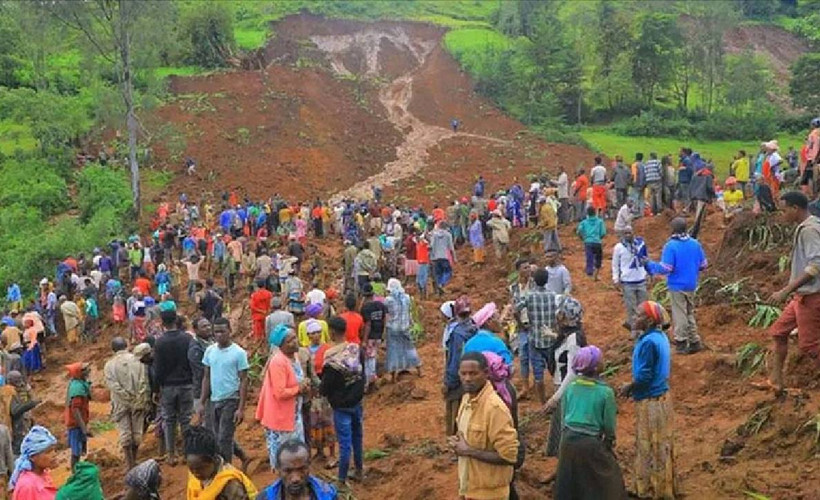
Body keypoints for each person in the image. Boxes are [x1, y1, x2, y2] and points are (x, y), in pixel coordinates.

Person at [553, 345, 625, 499]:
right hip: (590, 443)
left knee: (569, 484)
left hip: (568, 442)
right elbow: (609, 426)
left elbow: (564, 417)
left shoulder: (571, 387)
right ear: (597, 367)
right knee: (608, 482)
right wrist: (609, 442)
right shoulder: (605, 392)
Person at [620, 301, 676, 499]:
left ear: (650, 320)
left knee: (648, 446)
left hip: (650, 400)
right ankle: (663, 488)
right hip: (662, 398)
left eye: (638, 315)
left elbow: (644, 376)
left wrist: (629, 387)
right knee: (662, 445)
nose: (634, 318)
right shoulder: (658, 337)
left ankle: (648, 490)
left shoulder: (648, 343)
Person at [767, 191, 820, 392]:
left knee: (810, 346)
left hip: (811, 297)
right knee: (778, 332)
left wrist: (786, 290)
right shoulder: (808, 225)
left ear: (795, 209)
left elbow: (816, 265)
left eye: (784, 210)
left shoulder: (809, 230)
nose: (782, 215)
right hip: (801, 297)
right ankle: (776, 381)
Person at [448, 352, 519, 500]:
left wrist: (469, 451)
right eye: (464, 373)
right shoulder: (466, 399)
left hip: (490, 494)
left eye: (473, 374)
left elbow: (509, 456)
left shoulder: (494, 408)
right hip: (469, 488)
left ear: (486, 373)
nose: (467, 378)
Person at [647, 217, 707, 354]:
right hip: (691, 283)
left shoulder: (671, 246)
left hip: (677, 284)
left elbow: (666, 268)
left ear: (673, 229)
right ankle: (694, 340)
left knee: (679, 313)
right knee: (689, 312)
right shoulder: (695, 244)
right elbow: (703, 265)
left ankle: (681, 341)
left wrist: (650, 265)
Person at [319, 316, 365, 485]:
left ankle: (341, 479)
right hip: (357, 402)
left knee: (345, 444)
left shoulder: (331, 358)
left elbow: (325, 387)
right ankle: (359, 470)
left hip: (341, 406)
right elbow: (362, 374)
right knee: (357, 438)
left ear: (331, 332)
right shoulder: (355, 349)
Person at [256, 325, 309, 470]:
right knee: (285, 458)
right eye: (290, 340)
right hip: (281, 417)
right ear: (281, 345)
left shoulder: (294, 356)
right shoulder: (278, 362)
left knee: (296, 453)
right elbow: (280, 393)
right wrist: (300, 388)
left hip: (293, 414)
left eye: (294, 337)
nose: (295, 341)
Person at [199, 318, 249, 466]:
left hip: (231, 399)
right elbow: (206, 376)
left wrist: (240, 408)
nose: (219, 335)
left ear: (230, 331)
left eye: (222, 331)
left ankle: (226, 469)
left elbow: (244, 380)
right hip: (214, 400)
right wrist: (202, 401)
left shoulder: (238, 353)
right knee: (218, 435)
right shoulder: (210, 351)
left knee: (223, 439)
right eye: (216, 332)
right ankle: (242, 456)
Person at [544, 297, 586, 458]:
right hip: (563, 389)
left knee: (565, 434)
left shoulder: (574, 339)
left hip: (566, 391)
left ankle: (566, 469)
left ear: (566, 317)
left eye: (560, 313)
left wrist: (555, 398)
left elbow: (573, 372)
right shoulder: (570, 335)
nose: (557, 316)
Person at [152, 304, 193, 465]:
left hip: (168, 386)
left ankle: (171, 454)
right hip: (187, 384)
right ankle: (187, 452)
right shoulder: (187, 339)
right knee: (186, 419)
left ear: (162, 323)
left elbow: (158, 368)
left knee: (169, 420)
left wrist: (156, 389)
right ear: (177, 320)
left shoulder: (160, 342)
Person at [104, 337, 150, 469]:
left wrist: (126, 396)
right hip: (138, 401)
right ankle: (134, 460)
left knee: (125, 434)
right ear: (127, 345)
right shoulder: (137, 361)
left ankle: (129, 464)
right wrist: (137, 397)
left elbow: (113, 386)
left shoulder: (109, 365)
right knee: (137, 433)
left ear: (113, 349)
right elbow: (143, 380)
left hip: (120, 403)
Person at [516, 269, 560, 404]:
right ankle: (557, 399)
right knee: (555, 371)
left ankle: (543, 403)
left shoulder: (529, 296)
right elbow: (560, 313)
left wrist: (522, 325)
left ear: (534, 280)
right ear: (547, 280)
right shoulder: (553, 296)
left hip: (534, 338)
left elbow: (515, 309)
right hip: (551, 338)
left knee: (538, 375)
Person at [185, 426, 258, 499]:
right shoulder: (197, 476)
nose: (195, 473)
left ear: (215, 460)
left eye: (200, 468)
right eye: (191, 469)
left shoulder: (231, 484)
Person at [255, 439, 337, 500]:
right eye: (288, 471)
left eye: (302, 469)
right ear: (278, 470)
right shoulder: (265, 497)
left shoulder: (327, 494)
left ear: (309, 467)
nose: (295, 478)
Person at [443, 297, 477, 435]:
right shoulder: (474, 328)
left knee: (454, 413)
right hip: (475, 374)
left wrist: (448, 382)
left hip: (459, 378)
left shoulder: (457, 333)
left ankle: (455, 445)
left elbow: (454, 360)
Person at [612, 227, 649, 338]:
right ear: (623, 235)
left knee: (643, 307)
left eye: (629, 232)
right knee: (631, 308)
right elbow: (615, 264)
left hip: (641, 280)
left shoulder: (641, 244)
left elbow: (646, 259)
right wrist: (616, 279)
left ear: (634, 233)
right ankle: (634, 331)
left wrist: (649, 273)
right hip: (627, 282)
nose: (628, 235)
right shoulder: (619, 248)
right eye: (625, 233)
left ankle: (643, 329)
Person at [384, 279, 422, 382]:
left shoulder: (388, 300)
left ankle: (392, 377)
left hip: (393, 328)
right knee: (410, 349)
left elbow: (387, 315)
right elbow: (409, 312)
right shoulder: (407, 298)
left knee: (393, 351)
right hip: (405, 326)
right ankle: (419, 370)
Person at [10, 426, 58, 500]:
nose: (54, 454)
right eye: (48, 452)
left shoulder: (44, 474)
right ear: (32, 457)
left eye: (54, 450)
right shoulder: (27, 486)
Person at [359, 283, 387, 390]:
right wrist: (383, 334)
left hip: (370, 336)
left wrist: (364, 340)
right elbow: (385, 319)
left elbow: (368, 324)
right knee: (373, 356)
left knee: (367, 359)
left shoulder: (365, 308)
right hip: (378, 335)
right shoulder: (381, 305)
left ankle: (368, 381)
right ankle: (372, 377)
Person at [64, 362, 91, 470]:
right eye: (86, 370)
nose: (89, 371)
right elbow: (75, 410)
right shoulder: (77, 389)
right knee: (76, 451)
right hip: (75, 424)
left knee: (79, 449)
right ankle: (74, 473)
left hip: (78, 422)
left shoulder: (79, 383)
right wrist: (83, 428)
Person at [576, 207, 606, 280]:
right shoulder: (600, 221)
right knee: (598, 258)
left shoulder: (584, 222)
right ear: (595, 213)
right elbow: (603, 233)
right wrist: (598, 238)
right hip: (597, 242)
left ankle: (589, 273)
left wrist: (583, 238)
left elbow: (579, 231)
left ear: (587, 213)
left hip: (588, 242)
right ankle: (596, 273)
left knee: (589, 257)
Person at [430, 222, 456, 295]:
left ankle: (439, 288)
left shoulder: (434, 235)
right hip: (444, 256)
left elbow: (432, 246)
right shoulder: (448, 235)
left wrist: (431, 257)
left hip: (435, 258)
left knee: (438, 274)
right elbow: (451, 248)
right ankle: (442, 284)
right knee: (448, 272)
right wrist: (454, 258)